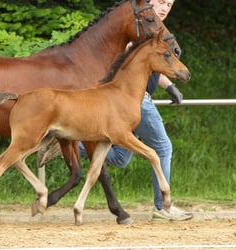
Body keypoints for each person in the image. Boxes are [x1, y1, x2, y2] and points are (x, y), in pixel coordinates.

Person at [79, 0, 193, 221]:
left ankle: (73, 142)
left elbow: (155, 64)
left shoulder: (152, 34)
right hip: (135, 101)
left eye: (169, 5)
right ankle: (163, 207)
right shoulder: (138, 33)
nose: (164, 8)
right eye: (160, 2)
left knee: (121, 158)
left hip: (137, 99)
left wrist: (170, 86)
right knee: (163, 146)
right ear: (147, 4)